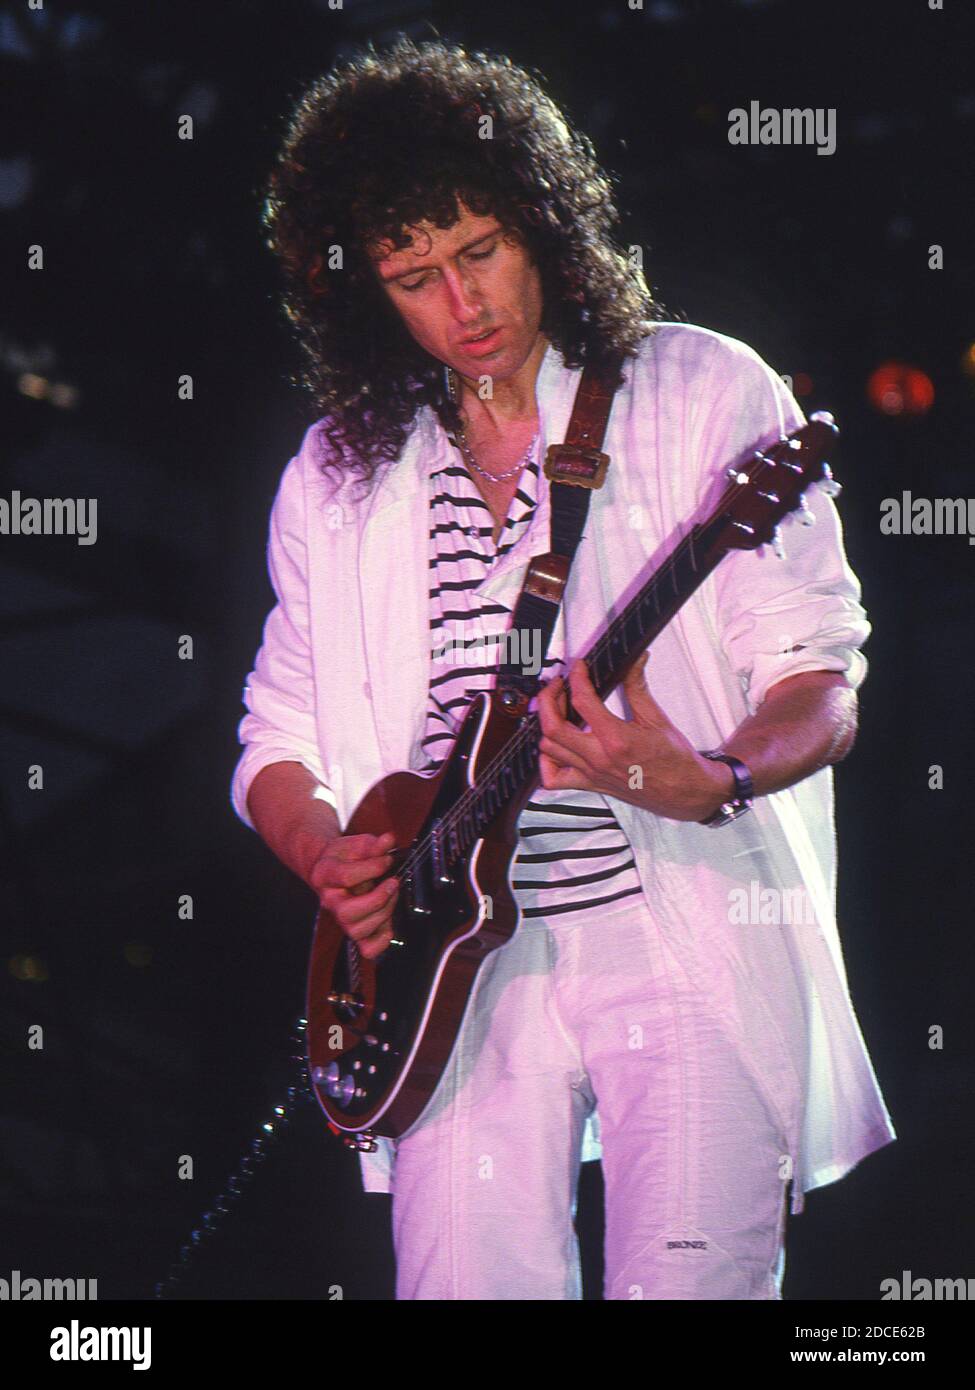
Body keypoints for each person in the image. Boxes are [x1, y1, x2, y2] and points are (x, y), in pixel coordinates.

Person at [231, 37, 895, 1300]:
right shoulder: (337, 472)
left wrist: (711, 774)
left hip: (681, 929)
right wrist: (326, 856)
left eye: (479, 250)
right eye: (413, 275)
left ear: (541, 221)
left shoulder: (699, 388)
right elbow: (276, 734)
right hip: (450, 977)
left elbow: (819, 680)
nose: (461, 301)